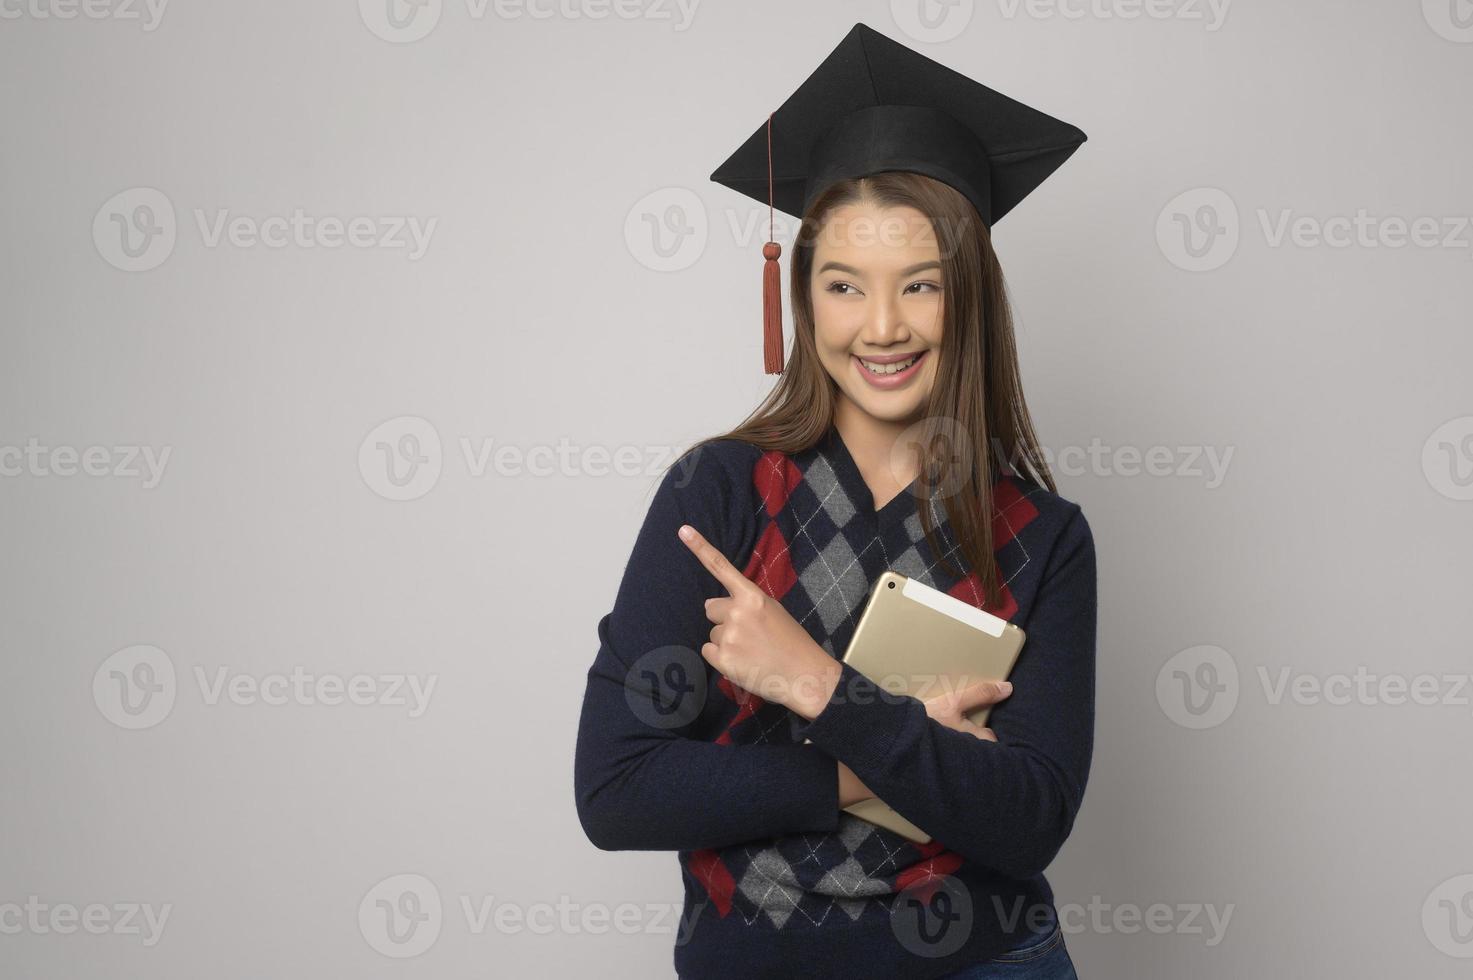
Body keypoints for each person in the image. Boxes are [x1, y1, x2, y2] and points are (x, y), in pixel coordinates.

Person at [574, 22, 1097, 979]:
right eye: (846, 285)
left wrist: (816, 685)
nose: (883, 326)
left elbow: (1026, 822)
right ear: (805, 300)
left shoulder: (1043, 537)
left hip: (985, 960)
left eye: (922, 286)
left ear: (969, 299)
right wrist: (875, 760)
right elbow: (617, 792)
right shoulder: (717, 491)